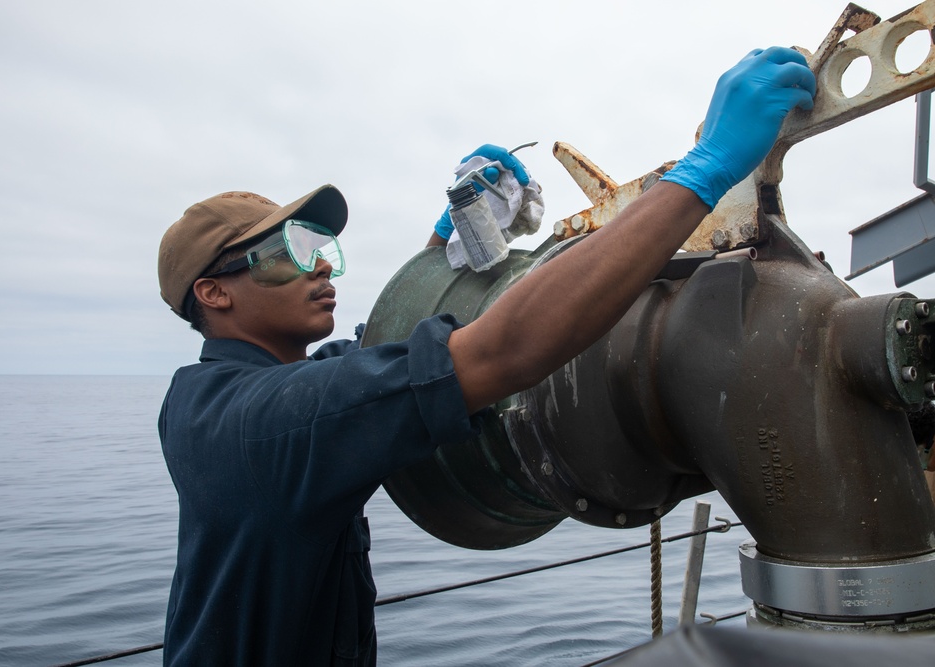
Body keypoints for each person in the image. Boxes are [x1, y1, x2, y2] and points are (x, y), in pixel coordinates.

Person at [156, 47, 815, 666]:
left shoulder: (216, 402)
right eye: (286, 254)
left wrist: (445, 250)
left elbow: (372, 371)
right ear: (213, 293)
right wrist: (704, 170)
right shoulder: (266, 423)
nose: (320, 266)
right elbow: (503, 351)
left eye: (319, 245)